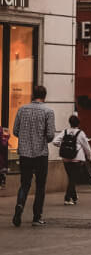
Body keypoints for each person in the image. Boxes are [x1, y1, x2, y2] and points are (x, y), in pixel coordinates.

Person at [12, 84, 55, 227]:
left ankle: (19, 205)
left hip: (24, 153)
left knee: (24, 183)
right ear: (44, 96)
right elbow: (50, 136)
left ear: (32, 95)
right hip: (40, 153)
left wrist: (25, 138)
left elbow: (15, 131)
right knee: (40, 186)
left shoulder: (22, 109)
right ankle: (37, 217)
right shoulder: (48, 112)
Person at [59, 114, 91, 205]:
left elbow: (55, 141)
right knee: (73, 179)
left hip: (66, 159)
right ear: (78, 123)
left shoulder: (65, 132)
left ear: (70, 123)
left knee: (71, 178)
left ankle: (74, 197)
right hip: (77, 159)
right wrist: (90, 158)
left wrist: (64, 146)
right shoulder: (80, 133)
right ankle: (67, 198)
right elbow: (87, 147)